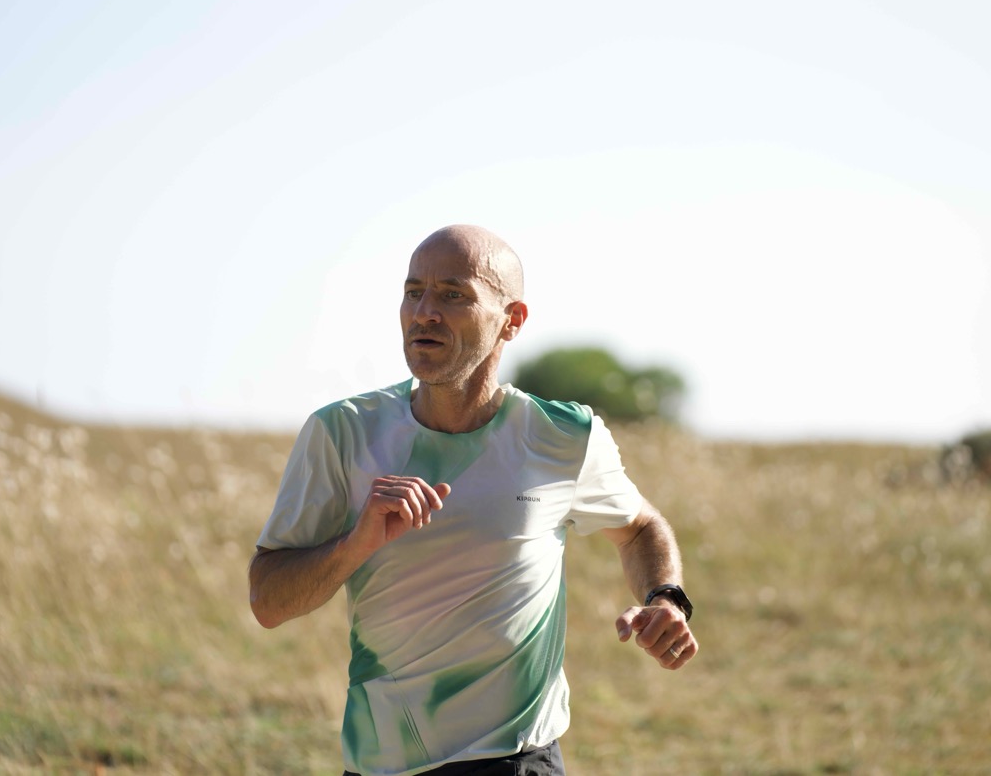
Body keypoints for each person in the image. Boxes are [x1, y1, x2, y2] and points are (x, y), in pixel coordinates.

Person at [249, 224, 698, 776]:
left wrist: (665, 597)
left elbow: (639, 527)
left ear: (512, 320)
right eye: (413, 292)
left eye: (452, 294)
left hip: (517, 760)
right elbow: (268, 603)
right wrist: (355, 545)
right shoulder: (342, 433)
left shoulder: (562, 435)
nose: (424, 313)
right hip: (383, 763)